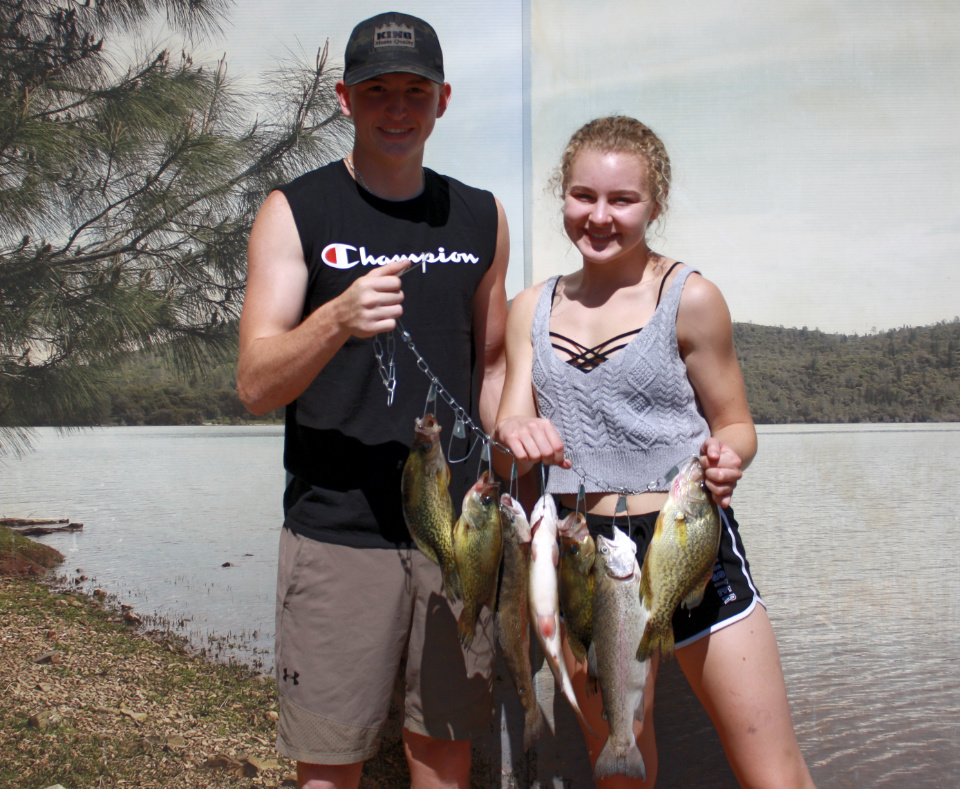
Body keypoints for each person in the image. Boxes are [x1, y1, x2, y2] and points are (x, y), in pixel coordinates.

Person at [493, 116, 814, 788]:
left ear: (655, 205)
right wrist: (515, 435)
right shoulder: (530, 307)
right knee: (621, 761)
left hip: (684, 538)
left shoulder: (691, 299)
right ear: (562, 195)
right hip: (580, 547)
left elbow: (736, 425)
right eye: (583, 195)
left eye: (622, 200)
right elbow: (509, 426)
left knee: (773, 772)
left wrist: (730, 457)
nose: (599, 216)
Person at [237, 13, 509, 789]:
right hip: (337, 529)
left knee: (444, 749)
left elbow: (487, 368)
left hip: (457, 534)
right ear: (344, 99)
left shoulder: (481, 216)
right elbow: (256, 383)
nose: (397, 108)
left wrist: (516, 432)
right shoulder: (296, 210)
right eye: (377, 90)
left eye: (414, 91)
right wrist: (334, 319)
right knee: (330, 763)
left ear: (443, 100)